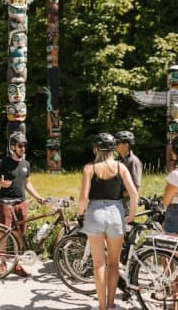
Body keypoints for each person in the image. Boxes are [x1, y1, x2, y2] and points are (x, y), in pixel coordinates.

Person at [77, 133, 138, 310]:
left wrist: (80, 214)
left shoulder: (90, 168)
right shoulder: (121, 167)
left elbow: (83, 198)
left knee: (99, 264)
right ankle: (111, 304)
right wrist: (131, 216)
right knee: (113, 263)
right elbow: (134, 193)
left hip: (95, 213)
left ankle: (102, 307)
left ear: (96, 148)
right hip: (116, 214)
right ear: (113, 149)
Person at [0, 131, 45, 277]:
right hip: (5, 202)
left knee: (20, 234)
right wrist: (0, 183)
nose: (23, 149)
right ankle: (2, 263)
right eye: (20, 146)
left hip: (21, 202)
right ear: (13, 146)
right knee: (4, 233)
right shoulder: (2, 162)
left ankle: (16, 264)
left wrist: (39, 198)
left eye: (25, 146)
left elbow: (28, 184)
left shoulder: (26, 164)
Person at [162, 136, 178, 310]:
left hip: (175, 217)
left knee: (168, 256)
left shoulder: (175, 175)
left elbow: (166, 201)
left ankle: (174, 303)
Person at [114, 130, 142, 215]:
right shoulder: (119, 161)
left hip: (126, 207)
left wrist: (116, 196)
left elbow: (135, 188)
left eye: (117, 143)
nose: (115, 145)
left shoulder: (133, 162)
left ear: (126, 145)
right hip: (117, 204)